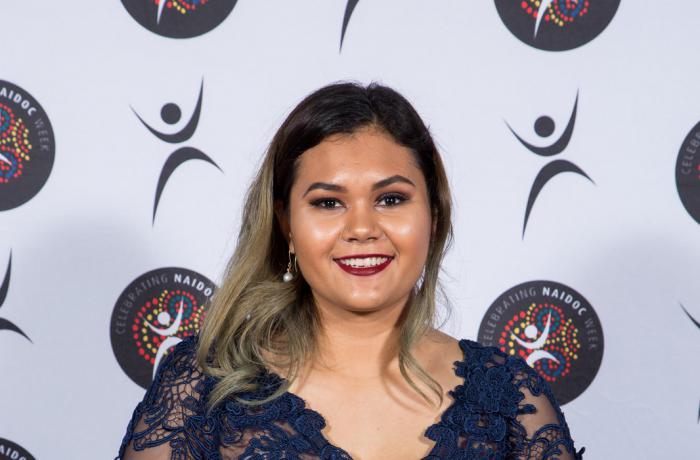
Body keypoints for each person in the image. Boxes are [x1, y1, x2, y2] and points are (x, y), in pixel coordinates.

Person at [117, 82, 584, 459]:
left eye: (391, 199)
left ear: (434, 216)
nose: (362, 228)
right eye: (328, 203)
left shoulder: (511, 404)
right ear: (286, 226)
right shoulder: (204, 390)